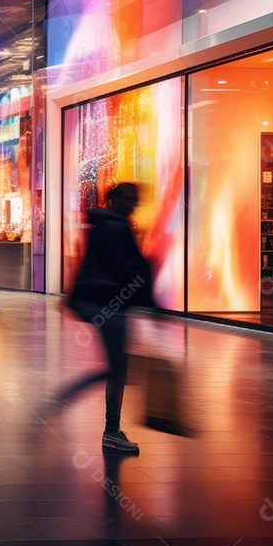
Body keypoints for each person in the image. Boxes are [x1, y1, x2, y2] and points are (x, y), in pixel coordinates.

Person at [60, 182, 156, 455]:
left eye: (135, 198)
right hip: (112, 304)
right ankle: (108, 428)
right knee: (117, 368)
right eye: (130, 199)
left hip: (106, 302)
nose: (134, 203)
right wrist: (149, 299)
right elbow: (129, 267)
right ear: (117, 200)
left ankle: (111, 428)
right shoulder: (116, 226)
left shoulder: (105, 223)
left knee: (119, 367)